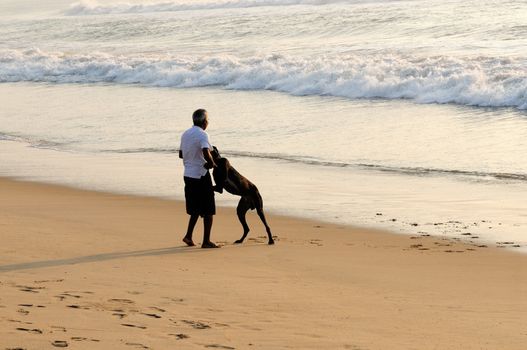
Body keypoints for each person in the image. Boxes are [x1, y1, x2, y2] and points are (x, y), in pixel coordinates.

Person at [179, 109, 219, 248]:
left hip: (188, 175)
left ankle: (188, 236)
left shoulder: (185, 134)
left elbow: (180, 154)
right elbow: (206, 152)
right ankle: (206, 241)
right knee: (208, 209)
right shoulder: (203, 134)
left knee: (195, 208)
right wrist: (212, 164)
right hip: (201, 175)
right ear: (204, 122)